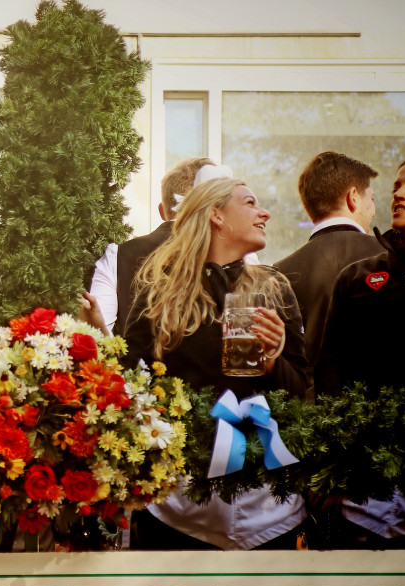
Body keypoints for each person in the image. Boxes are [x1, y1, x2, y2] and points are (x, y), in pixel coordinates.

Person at [121, 175, 308, 552]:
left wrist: (273, 361)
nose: (265, 212)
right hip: (180, 502)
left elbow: (303, 391)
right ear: (217, 216)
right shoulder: (159, 292)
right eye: (251, 203)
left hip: (267, 503)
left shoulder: (273, 286)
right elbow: (130, 381)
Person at [314, 154, 405, 549]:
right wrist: (333, 466)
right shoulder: (358, 276)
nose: (398, 194)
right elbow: (329, 369)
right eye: (396, 186)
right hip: (362, 488)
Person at [275, 152, 382, 400]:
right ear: (353, 197)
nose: (374, 211)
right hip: (377, 414)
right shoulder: (389, 258)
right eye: (372, 199)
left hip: (303, 418)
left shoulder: (279, 272)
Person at [89, 157, 215, 335]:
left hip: (137, 361)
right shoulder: (233, 252)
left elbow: (97, 338)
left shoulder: (117, 255)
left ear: (162, 211)